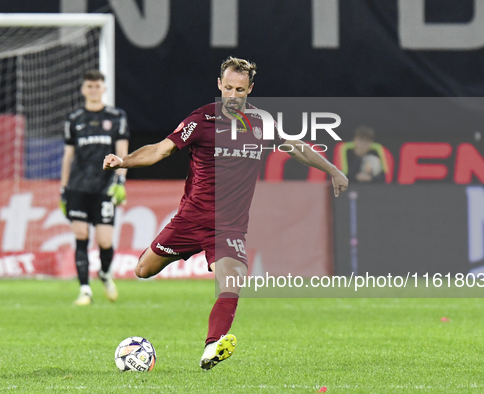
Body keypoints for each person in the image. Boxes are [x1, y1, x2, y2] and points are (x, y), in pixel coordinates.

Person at [103, 57, 348, 369]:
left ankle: (212, 347)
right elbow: (160, 150)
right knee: (143, 270)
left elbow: (295, 146)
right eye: (229, 88)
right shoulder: (202, 120)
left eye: (240, 90)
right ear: (219, 85)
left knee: (232, 282)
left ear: (250, 90)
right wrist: (122, 161)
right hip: (190, 220)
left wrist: (332, 169)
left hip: (228, 228)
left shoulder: (260, 123)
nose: (233, 95)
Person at [60, 70, 129, 306]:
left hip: (104, 187)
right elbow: (68, 156)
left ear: (104, 88)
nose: (93, 90)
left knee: (105, 240)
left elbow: (122, 152)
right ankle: (84, 290)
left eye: (97, 85)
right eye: (89, 86)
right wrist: (63, 188)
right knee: (81, 236)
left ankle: (105, 274)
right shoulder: (74, 119)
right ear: (83, 89)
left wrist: (120, 181)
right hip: (78, 187)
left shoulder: (116, 117)